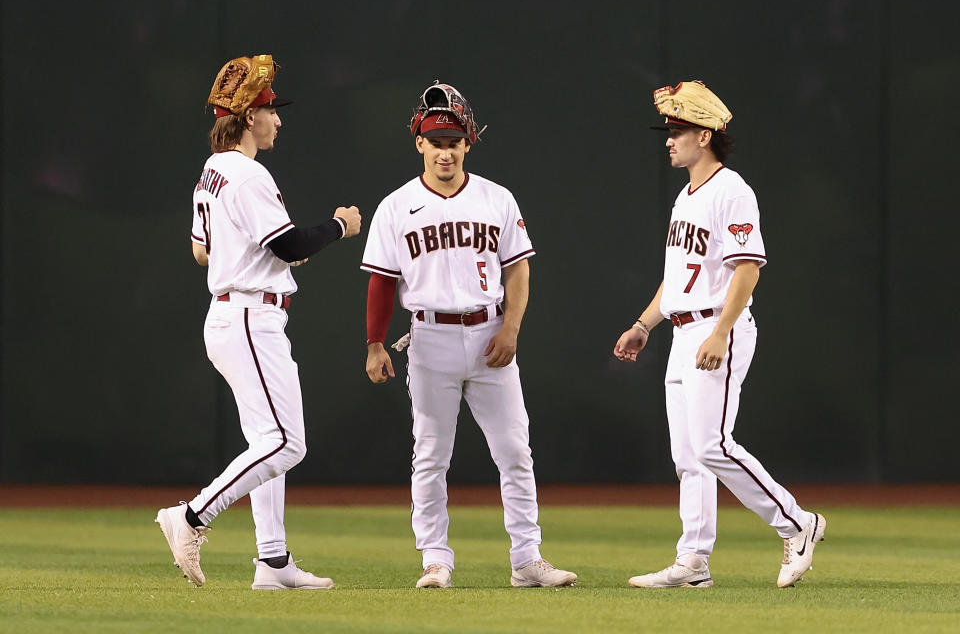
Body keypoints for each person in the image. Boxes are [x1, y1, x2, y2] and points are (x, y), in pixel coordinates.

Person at [155, 54, 361, 590]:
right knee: (288, 444)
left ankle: (273, 563)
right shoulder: (247, 174)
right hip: (249, 317)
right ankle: (192, 515)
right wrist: (339, 226)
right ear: (248, 117)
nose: (278, 119)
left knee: (267, 444)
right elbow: (290, 243)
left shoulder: (212, 170)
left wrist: (267, 256)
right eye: (271, 110)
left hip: (234, 310)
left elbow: (202, 251)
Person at [361, 82, 577, 589]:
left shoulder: (495, 198)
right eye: (436, 141)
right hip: (429, 336)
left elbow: (518, 271)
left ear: (468, 144)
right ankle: (435, 559)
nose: (445, 150)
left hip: (488, 333)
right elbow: (381, 280)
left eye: (454, 140)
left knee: (515, 451)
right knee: (431, 454)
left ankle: (527, 559)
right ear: (419, 143)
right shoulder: (396, 205)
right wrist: (374, 342)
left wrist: (511, 328)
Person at [613, 80, 825, 589]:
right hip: (684, 329)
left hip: (716, 326)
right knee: (688, 456)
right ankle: (693, 563)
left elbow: (748, 268)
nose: (669, 140)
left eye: (677, 130)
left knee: (711, 445)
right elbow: (677, 277)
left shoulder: (732, 190)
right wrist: (645, 324)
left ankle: (798, 524)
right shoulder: (686, 197)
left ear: (704, 135)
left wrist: (720, 333)